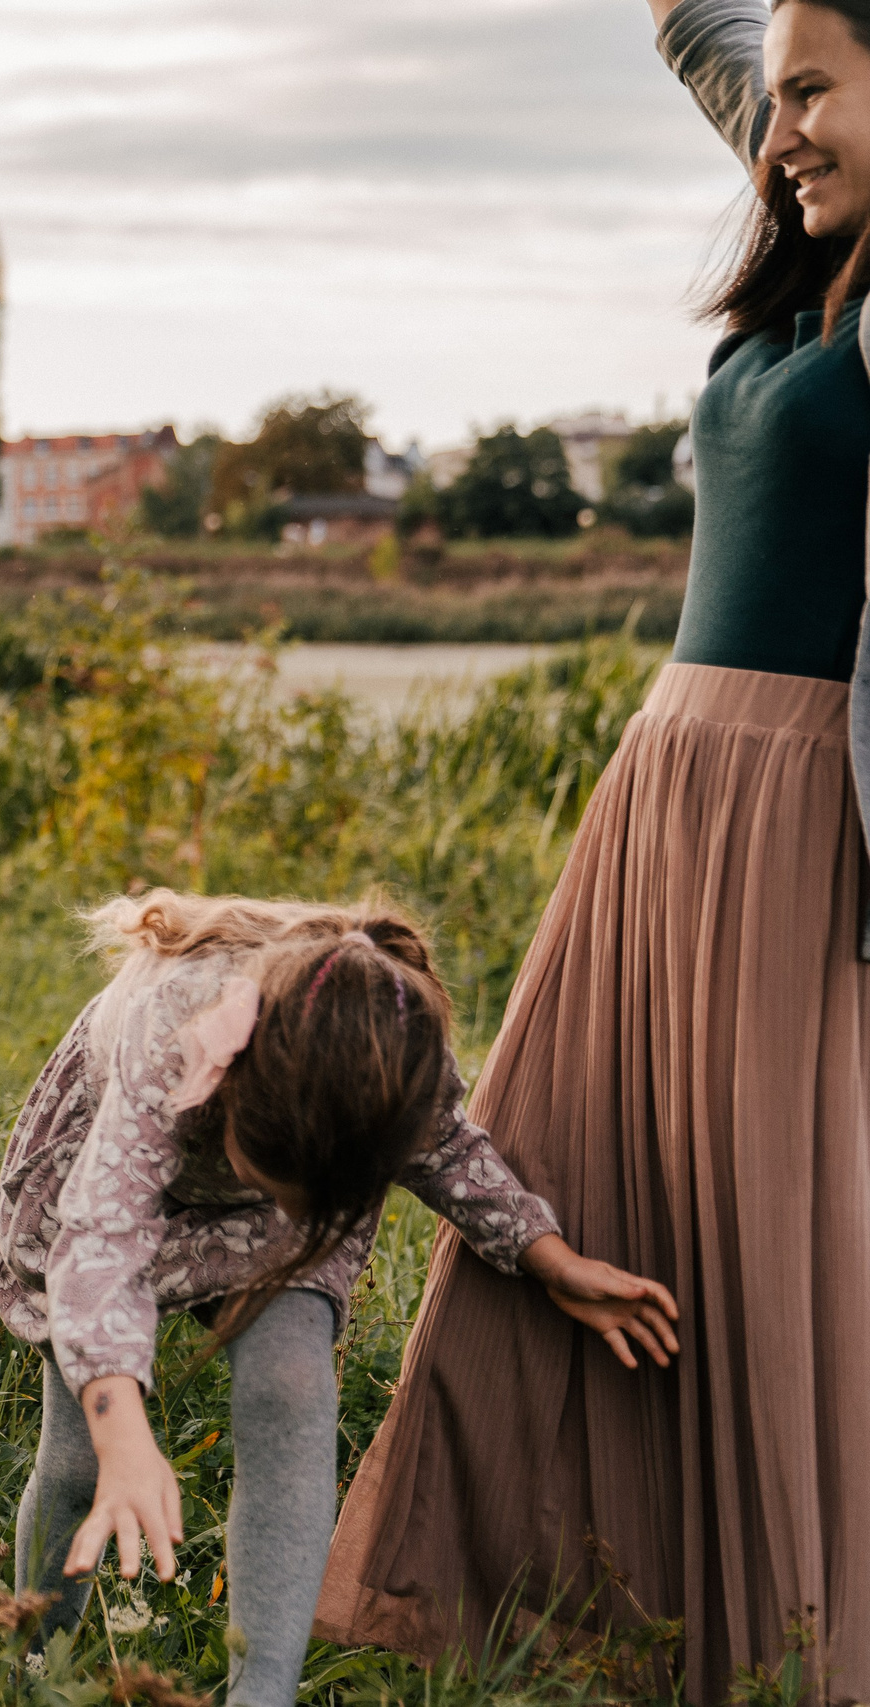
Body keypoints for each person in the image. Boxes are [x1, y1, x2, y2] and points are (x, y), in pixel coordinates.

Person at [317, 4, 870, 1694]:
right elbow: (706, 37)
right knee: (583, 1184)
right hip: (666, 807)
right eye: (772, 107)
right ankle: (553, 1613)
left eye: (816, 96)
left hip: (790, 821)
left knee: (780, 1239)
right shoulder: (806, 259)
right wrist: (751, 61)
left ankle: (783, 1638)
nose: (781, 134)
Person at [0, 891, 675, 1707]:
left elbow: (449, 1147)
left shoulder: (389, 1057)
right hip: (127, 1175)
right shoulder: (177, 1024)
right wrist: (124, 1431)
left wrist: (548, 1255)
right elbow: (103, 1241)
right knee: (78, 1457)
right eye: (264, 1172)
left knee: (294, 1386)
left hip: (296, 1202)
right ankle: (32, 1668)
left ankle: (263, 1694)